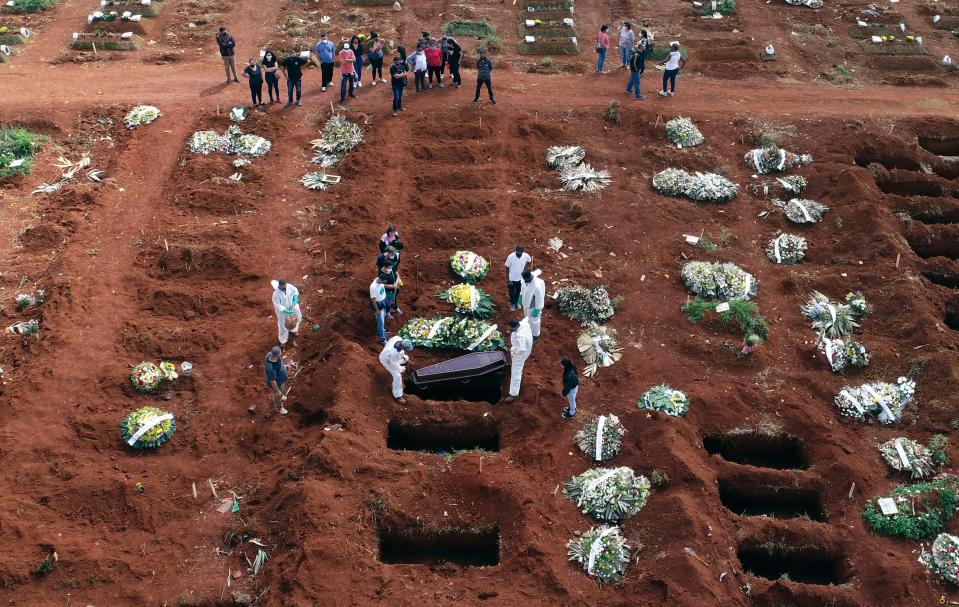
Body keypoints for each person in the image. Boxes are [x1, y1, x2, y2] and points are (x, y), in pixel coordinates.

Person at [504, 318, 533, 403]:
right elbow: (527, 318)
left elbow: (522, 349)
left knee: (516, 371)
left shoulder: (520, 337)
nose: (510, 329)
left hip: (521, 353)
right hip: (524, 346)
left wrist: (514, 352)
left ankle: (514, 394)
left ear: (515, 327)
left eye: (511, 328)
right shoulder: (523, 324)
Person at [379, 337, 414, 404]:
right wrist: (403, 369)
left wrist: (403, 357)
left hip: (392, 356)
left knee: (406, 358)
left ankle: (404, 361)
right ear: (402, 347)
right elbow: (394, 366)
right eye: (406, 349)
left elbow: (400, 352)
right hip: (386, 360)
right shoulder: (394, 353)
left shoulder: (398, 338)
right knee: (397, 375)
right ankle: (398, 396)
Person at [271, 279, 302, 345]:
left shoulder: (289, 286)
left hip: (292, 306)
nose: (285, 287)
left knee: (298, 317)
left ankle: (294, 330)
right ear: (280, 286)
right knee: (283, 326)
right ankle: (283, 340)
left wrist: (295, 297)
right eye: (283, 286)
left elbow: (295, 291)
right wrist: (286, 310)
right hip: (282, 312)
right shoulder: (275, 294)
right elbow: (278, 305)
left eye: (285, 285)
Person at [521, 269, 546, 341]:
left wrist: (537, 309)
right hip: (526, 301)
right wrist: (520, 295)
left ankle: (535, 335)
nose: (524, 281)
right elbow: (522, 286)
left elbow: (539, 299)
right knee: (527, 316)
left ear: (529, 277)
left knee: (535, 321)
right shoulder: (526, 278)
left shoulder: (537, 286)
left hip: (533, 305)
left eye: (526, 280)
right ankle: (528, 328)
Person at [505, 246, 531, 311]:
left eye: (520, 252)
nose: (518, 253)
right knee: (511, 292)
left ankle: (516, 303)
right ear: (515, 250)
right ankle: (513, 304)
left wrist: (525, 268)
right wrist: (508, 279)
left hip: (520, 278)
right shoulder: (511, 257)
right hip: (512, 278)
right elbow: (507, 267)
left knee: (518, 291)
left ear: (522, 252)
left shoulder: (525, 256)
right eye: (517, 252)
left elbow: (529, 260)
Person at [264, 345, 289, 415]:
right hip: (277, 384)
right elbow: (273, 381)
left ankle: (281, 396)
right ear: (279, 353)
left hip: (281, 380)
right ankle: (279, 408)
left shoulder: (270, 355)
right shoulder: (271, 368)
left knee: (281, 392)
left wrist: (284, 367)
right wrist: (278, 391)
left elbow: (279, 362)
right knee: (277, 395)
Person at [370, 273, 389, 344]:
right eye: (384, 281)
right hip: (379, 305)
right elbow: (373, 300)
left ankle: (381, 330)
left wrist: (391, 286)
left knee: (382, 319)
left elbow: (383, 285)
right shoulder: (373, 287)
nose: (385, 282)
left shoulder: (379, 280)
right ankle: (383, 339)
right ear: (380, 280)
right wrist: (377, 310)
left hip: (383, 301)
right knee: (381, 322)